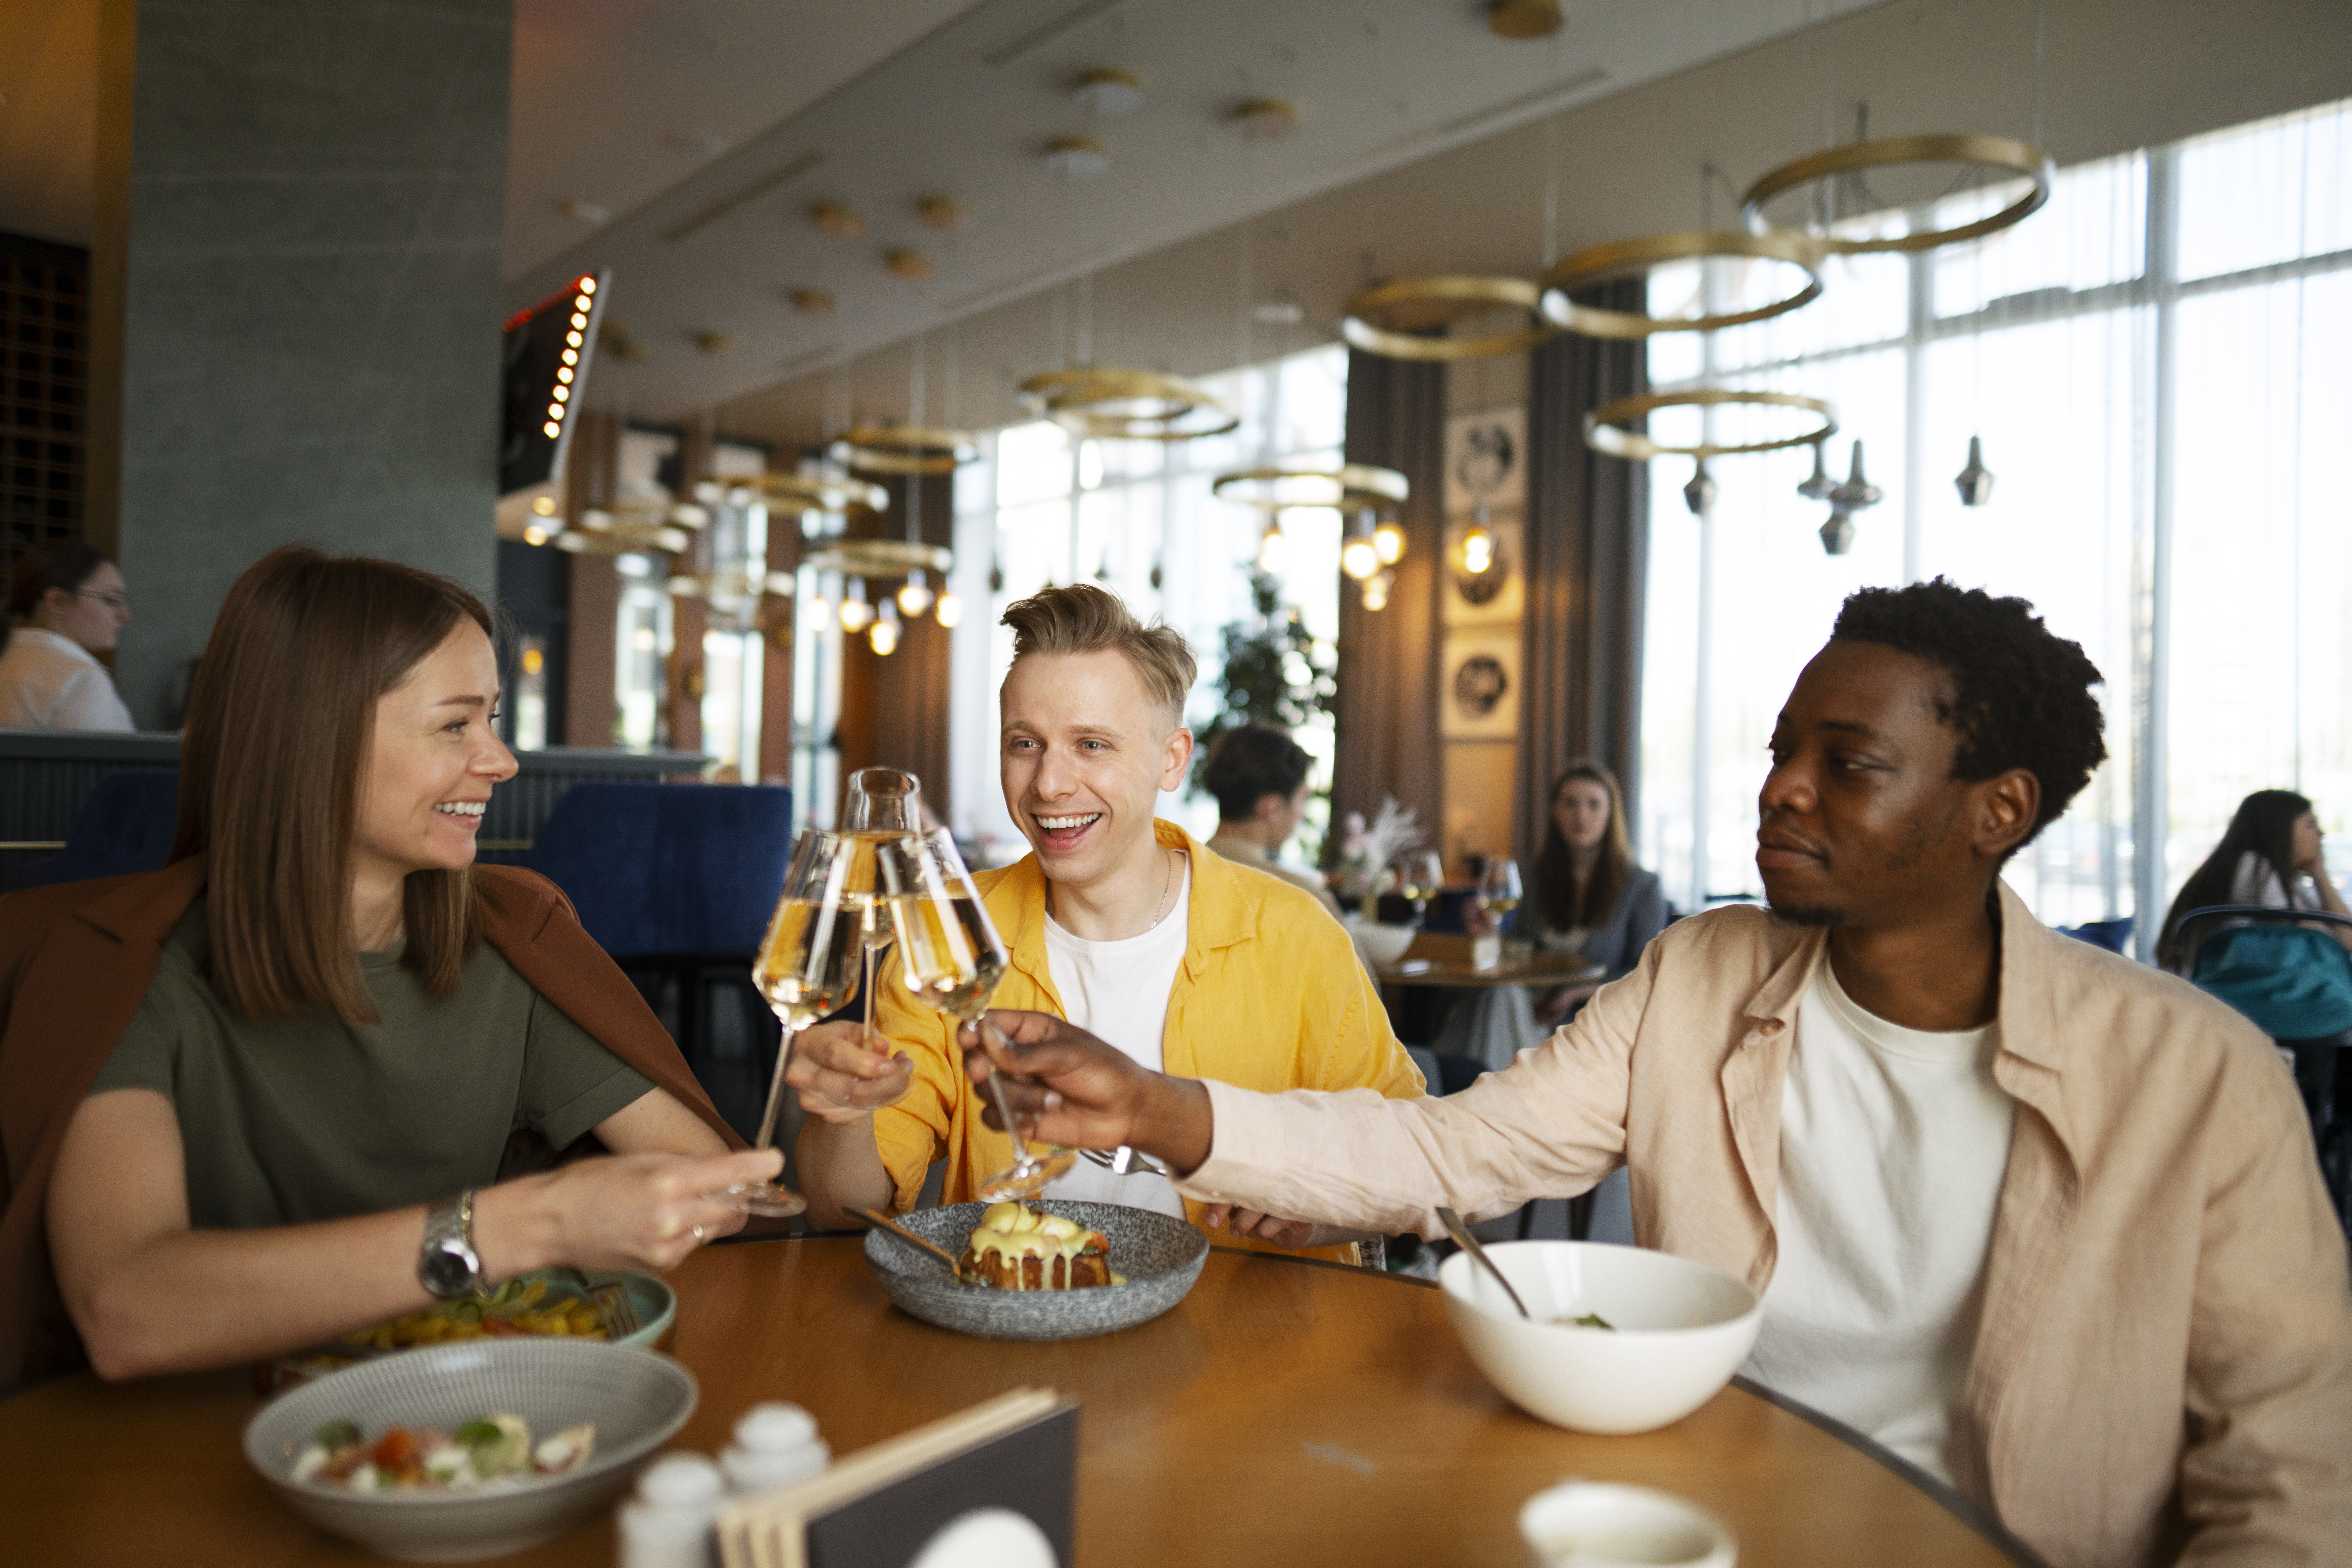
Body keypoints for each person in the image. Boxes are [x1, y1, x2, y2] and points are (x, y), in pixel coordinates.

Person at [954, 579, 2352, 1566]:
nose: (1781, 791)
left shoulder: (2199, 1078)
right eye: (1779, 752)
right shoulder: (1701, 977)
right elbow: (1452, 1155)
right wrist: (1158, 1109)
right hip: (1695, 1518)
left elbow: (2295, 1480)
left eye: (1845, 764)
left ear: (1999, 812)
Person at [0, 547, 777, 1386]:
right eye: (456, 724)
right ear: (314, 738)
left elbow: (709, 1192)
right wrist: (522, 1225)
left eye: (494, 719)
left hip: (462, 1425)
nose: (501, 760)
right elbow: (129, 1309)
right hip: (176, 1457)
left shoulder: (508, 939)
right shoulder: (124, 969)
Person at [784, 583, 1423, 1265]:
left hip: (1258, 1346)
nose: (1049, 784)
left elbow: (1415, 1161)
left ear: (1171, 759)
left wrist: (1313, 1208)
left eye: (1092, 744)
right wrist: (843, 1110)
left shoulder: (1297, 936)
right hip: (1021, 1336)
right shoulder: (950, 938)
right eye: (1025, 742)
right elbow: (841, 1208)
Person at [1437, 761, 1667, 1072]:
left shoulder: (1642, 887)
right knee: (1499, 996)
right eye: (1570, 804)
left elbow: (1647, 972)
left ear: (1611, 813)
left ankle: (1479, 1092)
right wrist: (1489, 935)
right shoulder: (1537, 874)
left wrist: (1577, 991)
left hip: (1587, 1016)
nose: (1581, 816)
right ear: (1555, 812)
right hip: (1530, 1004)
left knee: (1500, 1000)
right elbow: (1520, 952)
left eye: (1594, 804)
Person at [2158, 788, 2352, 964]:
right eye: (2310, 825)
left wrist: (2319, 873)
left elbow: (2347, 938)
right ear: (2280, 830)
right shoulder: (2253, 869)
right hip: (2217, 996)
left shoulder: (2287, 880)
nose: (2321, 833)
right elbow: (2335, 945)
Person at [1201, 721, 1343, 919]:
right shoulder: (1304, 899)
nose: (1302, 815)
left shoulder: (1175, 876)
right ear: (1273, 808)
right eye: (1302, 799)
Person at [0, 540, 136, 731]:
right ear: (57, 602)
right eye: (111, 600)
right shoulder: (82, 679)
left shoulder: (8, 658)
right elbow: (93, 761)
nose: (125, 615)